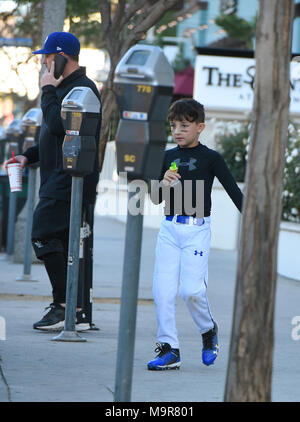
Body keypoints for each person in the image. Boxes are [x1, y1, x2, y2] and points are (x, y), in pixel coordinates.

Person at [4, 32, 102, 331]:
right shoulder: (64, 88)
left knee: (43, 233)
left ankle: (64, 305)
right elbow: (52, 136)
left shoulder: (82, 89)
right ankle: (75, 307)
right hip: (57, 176)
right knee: (60, 241)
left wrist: (47, 91)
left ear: (61, 58)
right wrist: (27, 156)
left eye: (47, 58)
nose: (44, 64)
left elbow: (60, 125)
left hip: (69, 178)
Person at [147, 98, 243, 370]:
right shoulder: (166, 157)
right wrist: (163, 183)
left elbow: (236, 193)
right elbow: (154, 199)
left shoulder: (212, 158)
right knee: (162, 292)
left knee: (191, 291)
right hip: (169, 229)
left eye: (185, 125)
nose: (178, 130)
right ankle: (169, 349)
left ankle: (208, 329)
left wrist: (256, 225)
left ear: (200, 127)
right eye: (174, 125)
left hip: (196, 231)